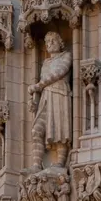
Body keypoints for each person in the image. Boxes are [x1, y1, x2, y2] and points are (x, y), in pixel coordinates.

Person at [31, 32, 73, 168]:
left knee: (60, 130)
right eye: (47, 42)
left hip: (60, 94)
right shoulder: (46, 63)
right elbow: (42, 83)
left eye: (53, 40)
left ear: (60, 42)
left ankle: (60, 163)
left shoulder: (66, 56)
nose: (50, 44)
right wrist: (34, 100)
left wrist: (39, 85)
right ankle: (36, 165)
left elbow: (59, 72)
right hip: (46, 97)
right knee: (36, 130)